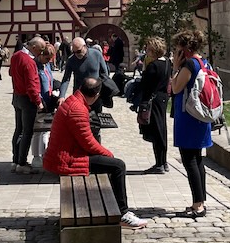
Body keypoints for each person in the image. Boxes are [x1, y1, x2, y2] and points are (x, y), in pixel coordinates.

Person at [43, 77, 148, 230]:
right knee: (118, 166)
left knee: (111, 164)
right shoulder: (77, 109)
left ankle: (117, 209)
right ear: (96, 95)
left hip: (67, 154)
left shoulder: (74, 101)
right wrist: (108, 154)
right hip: (68, 160)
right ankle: (122, 213)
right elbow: (88, 143)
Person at [170, 28, 212, 218]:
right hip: (200, 116)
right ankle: (200, 201)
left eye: (177, 48)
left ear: (184, 49)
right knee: (197, 159)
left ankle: (198, 205)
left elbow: (176, 88)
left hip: (189, 118)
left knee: (190, 161)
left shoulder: (189, 65)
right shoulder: (204, 62)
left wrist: (174, 68)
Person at [10, 36, 45, 173]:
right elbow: (32, 86)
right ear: (34, 47)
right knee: (27, 132)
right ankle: (22, 163)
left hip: (16, 96)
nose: (41, 53)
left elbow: (10, 72)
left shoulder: (16, 55)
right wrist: (38, 102)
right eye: (40, 50)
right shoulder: (29, 62)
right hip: (27, 99)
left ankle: (15, 160)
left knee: (18, 129)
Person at [139, 36, 171, 174]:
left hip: (153, 99)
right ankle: (163, 162)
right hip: (163, 98)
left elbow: (145, 84)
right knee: (162, 129)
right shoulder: (168, 63)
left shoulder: (153, 66)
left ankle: (159, 163)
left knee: (157, 130)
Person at [30, 42, 57, 170]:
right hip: (39, 103)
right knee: (37, 130)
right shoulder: (35, 66)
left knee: (46, 130)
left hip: (48, 102)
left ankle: (45, 155)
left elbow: (50, 81)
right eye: (47, 58)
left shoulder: (47, 66)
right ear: (41, 55)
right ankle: (36, 157)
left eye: (50, 59)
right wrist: (39, 101)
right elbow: (34, 85)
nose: (48, 61)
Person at [58, 37, 109, 102]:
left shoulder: (96, 54)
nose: (77, 54)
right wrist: (62, 96)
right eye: (74, 52)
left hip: (95, 96)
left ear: (85, 46)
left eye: (79, 51)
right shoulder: (71, 60)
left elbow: (105, 74)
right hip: (79, 96)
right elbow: (66, 79)